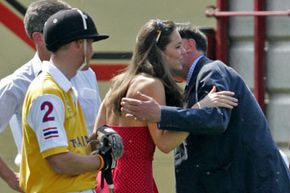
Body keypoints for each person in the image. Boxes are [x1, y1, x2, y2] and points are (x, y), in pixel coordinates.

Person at [121, 24, 290, 193]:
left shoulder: (212, 71)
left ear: (189, 46)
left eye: (180, 46)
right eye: (176, 47)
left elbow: (216, 120)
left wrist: (161, 114)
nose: (179, 53)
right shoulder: (196, 80)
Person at [93, 19, 237, 193]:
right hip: (135, 181)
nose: (183, 52)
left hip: (107, 181)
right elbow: (165, 144)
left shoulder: (119, 82)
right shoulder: (151, 85)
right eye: (177, 47)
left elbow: (96, 133)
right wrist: (199, 108)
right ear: (159, 52)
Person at [0, 0, 101, 167]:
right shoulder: (16, 84)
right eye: (64, 30)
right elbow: (59, 161)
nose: (79, 42)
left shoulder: (87, 73)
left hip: (88, 182)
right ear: (39, 38)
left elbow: (94, 130)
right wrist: (14, 180)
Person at [20, 8, 109, 193]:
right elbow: (60, 161)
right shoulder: (48, 93)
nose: (92, 51)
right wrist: (101, 161)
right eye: (90, 43)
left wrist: (95, 144)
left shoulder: (61, 88)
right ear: (78, 44)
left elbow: (71, 147)